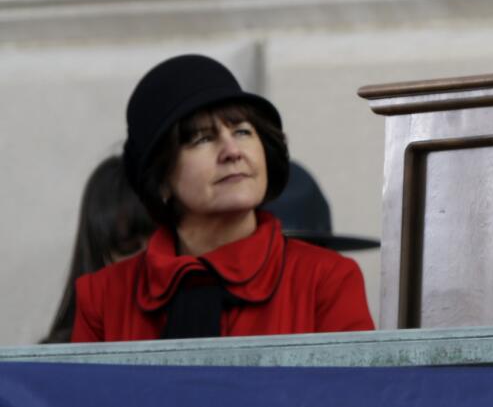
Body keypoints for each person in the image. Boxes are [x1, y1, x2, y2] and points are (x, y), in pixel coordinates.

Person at [71, 54, 374, 341]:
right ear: (161, 180)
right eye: (203, 138)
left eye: (242, 131)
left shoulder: (327, 279)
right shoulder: (102, 297)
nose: (232, 151)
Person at [43, 155, 156, 343]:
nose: (152, 258)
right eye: (130, 246)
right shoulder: (56, 362)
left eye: (165, 240)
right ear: (101, 257)